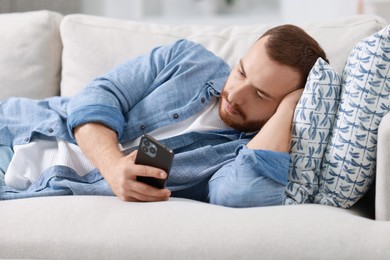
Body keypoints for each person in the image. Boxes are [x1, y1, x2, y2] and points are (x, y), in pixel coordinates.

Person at [0, 24, 328, 207]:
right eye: (241, 71)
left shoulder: (236, 156)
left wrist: (289, 108)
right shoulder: (187, 58)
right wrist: (113, 165)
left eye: (260, 94)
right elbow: (99, 94)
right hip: (19, 127)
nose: (235, 94)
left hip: (27, 185)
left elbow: (242, 193)